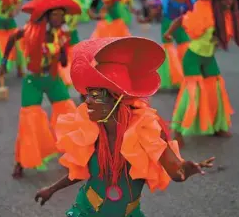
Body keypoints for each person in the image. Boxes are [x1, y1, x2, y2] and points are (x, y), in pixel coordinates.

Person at [34, 37, 215, 217]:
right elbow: (80, 171)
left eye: (95, 95)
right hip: (87, 210)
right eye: (87, 94)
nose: (87, 101)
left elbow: (176, 171)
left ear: (117, 98)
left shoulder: (145, 130)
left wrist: (186, 170)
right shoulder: (90, 129)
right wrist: (51, 189)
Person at [0, 0, 81, 177]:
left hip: (52, 78)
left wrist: (62, 52)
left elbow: (63, 61)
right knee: (29, 119)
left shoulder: (63, 32)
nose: (58, 18)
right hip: (33, 79)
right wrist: (4, 62)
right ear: (47, 15)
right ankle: (21, 161)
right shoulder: (32, 30)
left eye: (61, 14)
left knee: (68, 113)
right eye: (54, 14)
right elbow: (12, 37)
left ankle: (74, 154)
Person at [164, 0, 239, 146]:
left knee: (215, 91)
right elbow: (182, 19)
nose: (230, 2)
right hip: (193, 57)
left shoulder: (229, 17)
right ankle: (178, 131)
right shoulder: (204, 12)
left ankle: (217, 126)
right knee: (192, 94)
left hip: (208, 58)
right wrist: (169, 32)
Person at [158, 0, 193, 90]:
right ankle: (174, 78)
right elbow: (161, 7)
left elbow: (191, 10)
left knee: (184, 45)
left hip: (180, 23)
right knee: (169, 48)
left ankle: (186, 75)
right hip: (168, 22)